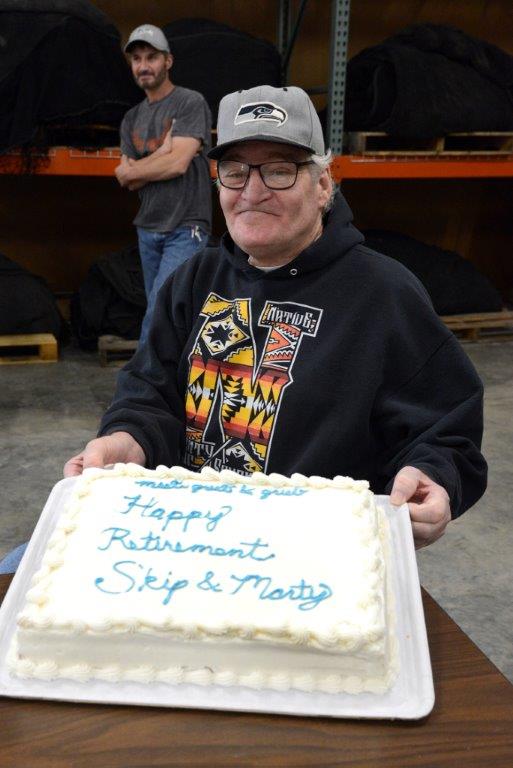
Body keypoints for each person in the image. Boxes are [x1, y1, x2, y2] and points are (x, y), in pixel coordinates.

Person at [0, 86, 487, 573]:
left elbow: (443, 428)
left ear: (323, 185)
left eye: (279, 169)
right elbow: (148, 393)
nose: (253, 191)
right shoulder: (193, 281)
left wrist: (433, 476)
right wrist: (128, 438)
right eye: (235, 172)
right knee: (17, 575)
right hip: (186, 537)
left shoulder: (384, 295)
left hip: (311, 559)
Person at [115, 24, 212, 343]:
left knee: (160, 309)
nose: (143, 65)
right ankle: (172, 383)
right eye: (137, 59)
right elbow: (125, 178)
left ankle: (140, 387)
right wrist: (165, 151)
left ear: (168, 61)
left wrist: (149, 165)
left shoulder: (189, 103)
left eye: (152, 57)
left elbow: (178, 163)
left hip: (186, 226)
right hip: (148, 227)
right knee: (168, 312)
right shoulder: (131, 118)